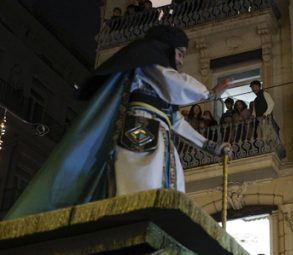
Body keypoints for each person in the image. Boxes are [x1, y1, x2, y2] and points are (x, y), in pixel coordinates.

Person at [5, 26, 233, 219]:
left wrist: (208, 145)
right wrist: (209, 93)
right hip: (140, 131)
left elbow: (176, 120)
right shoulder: (150, 66)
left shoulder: (161, 87)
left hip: (159, 135)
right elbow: (173, 80)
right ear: (166, 49)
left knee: (166, 186)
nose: (182, 61)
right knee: (139, 181)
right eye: (180, 54)